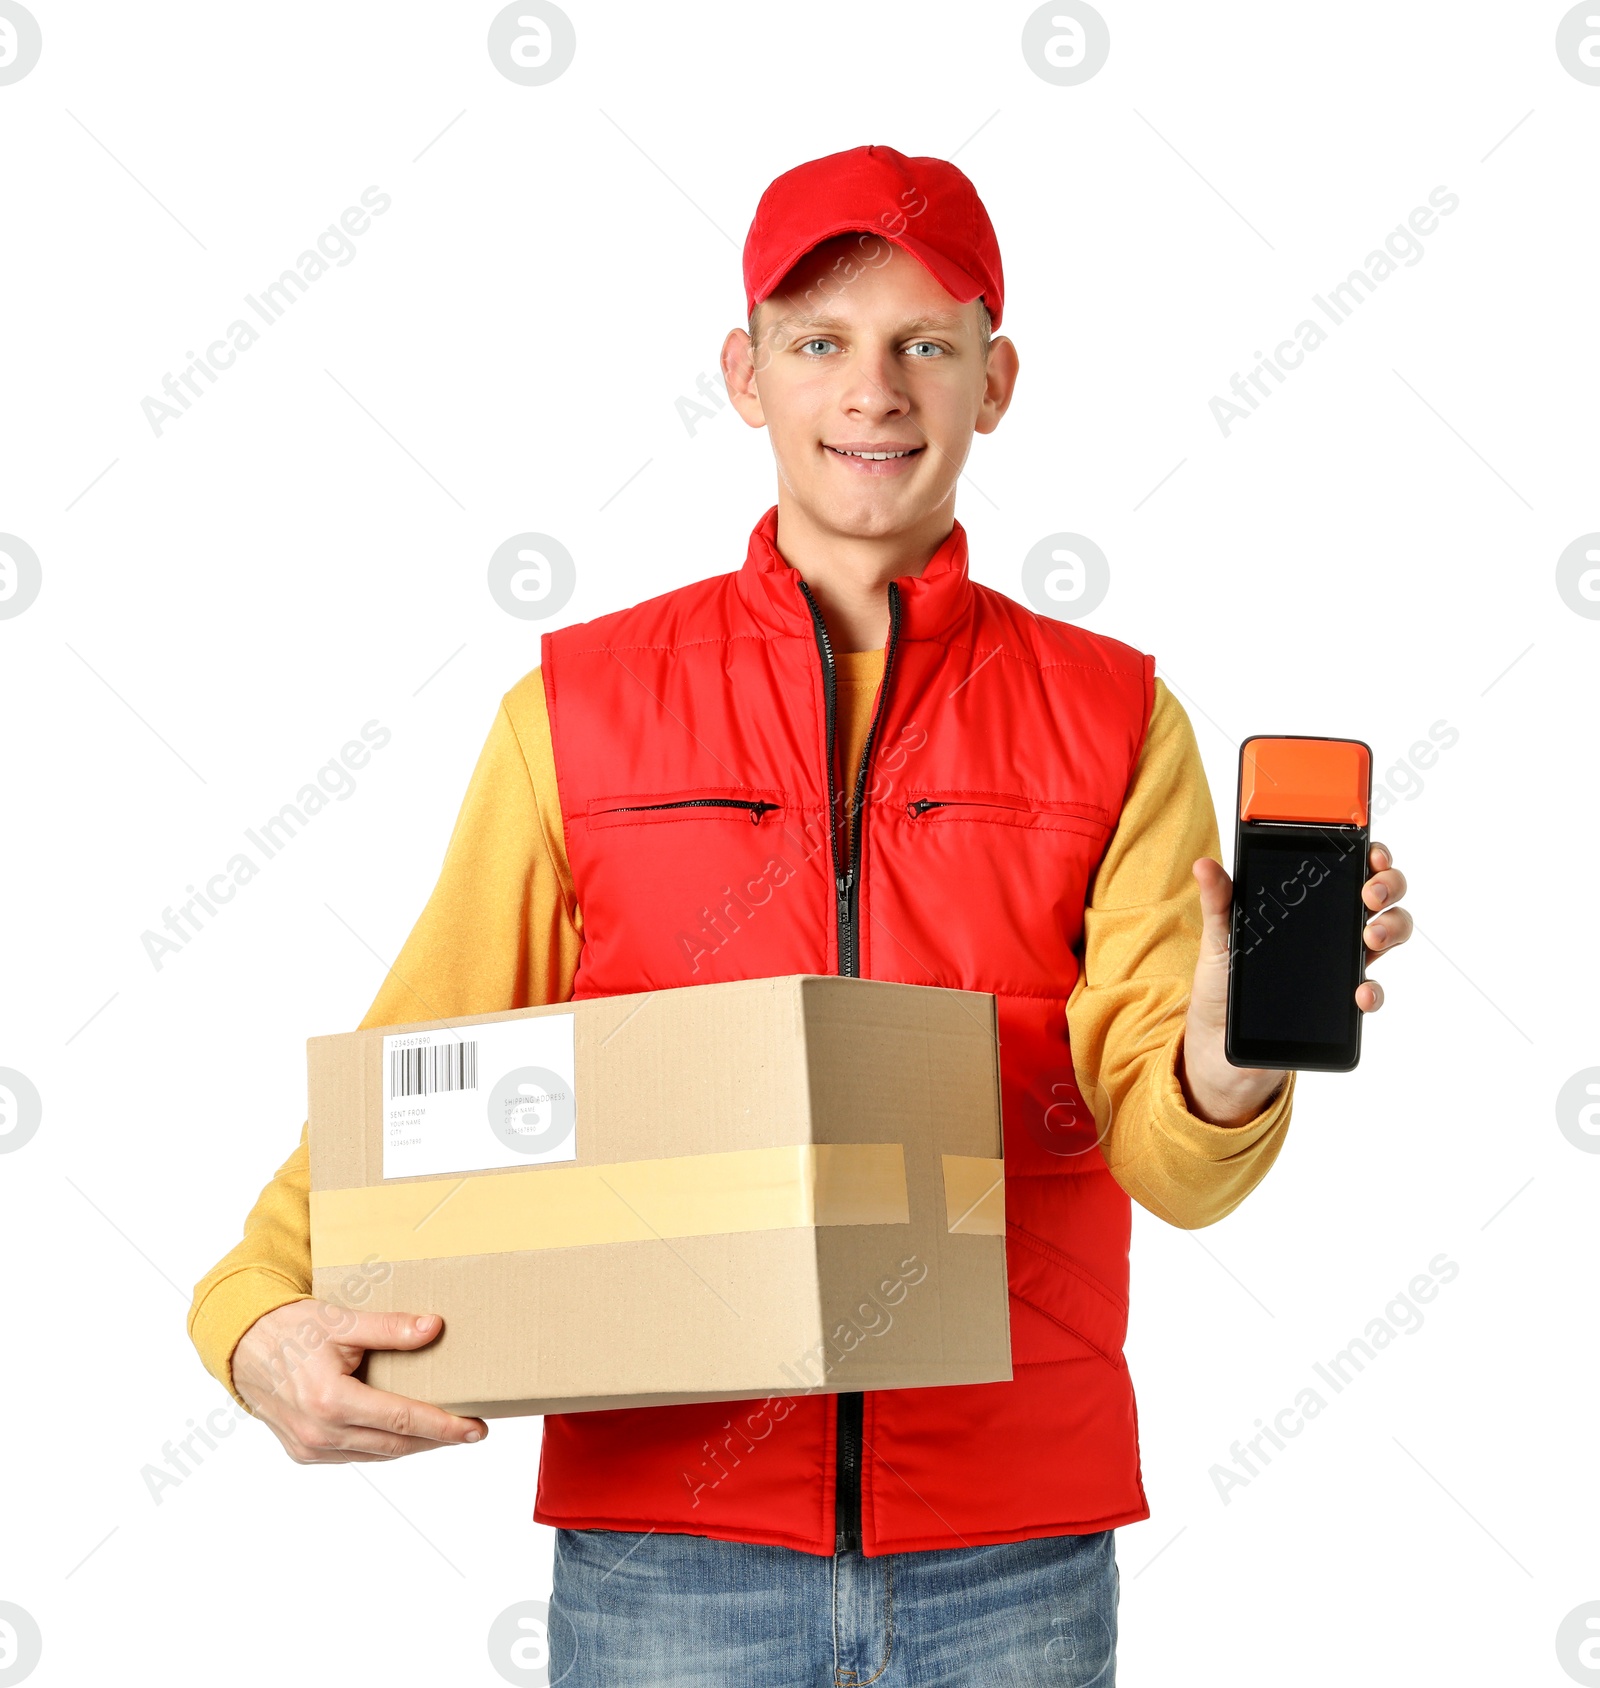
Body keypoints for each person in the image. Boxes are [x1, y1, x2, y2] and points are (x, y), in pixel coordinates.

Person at [189, 144, 1411, 1684]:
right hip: (669, 1549)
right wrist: (251, 1313)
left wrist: (1229, 1060)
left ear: (998, 377)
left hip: (1012, 1554)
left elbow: (1173, 1163)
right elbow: (425, 1060)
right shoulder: (578, 713)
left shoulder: (1115, 722)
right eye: (820, 342)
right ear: (744, 374)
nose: (874, 391)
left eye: (926, 344)